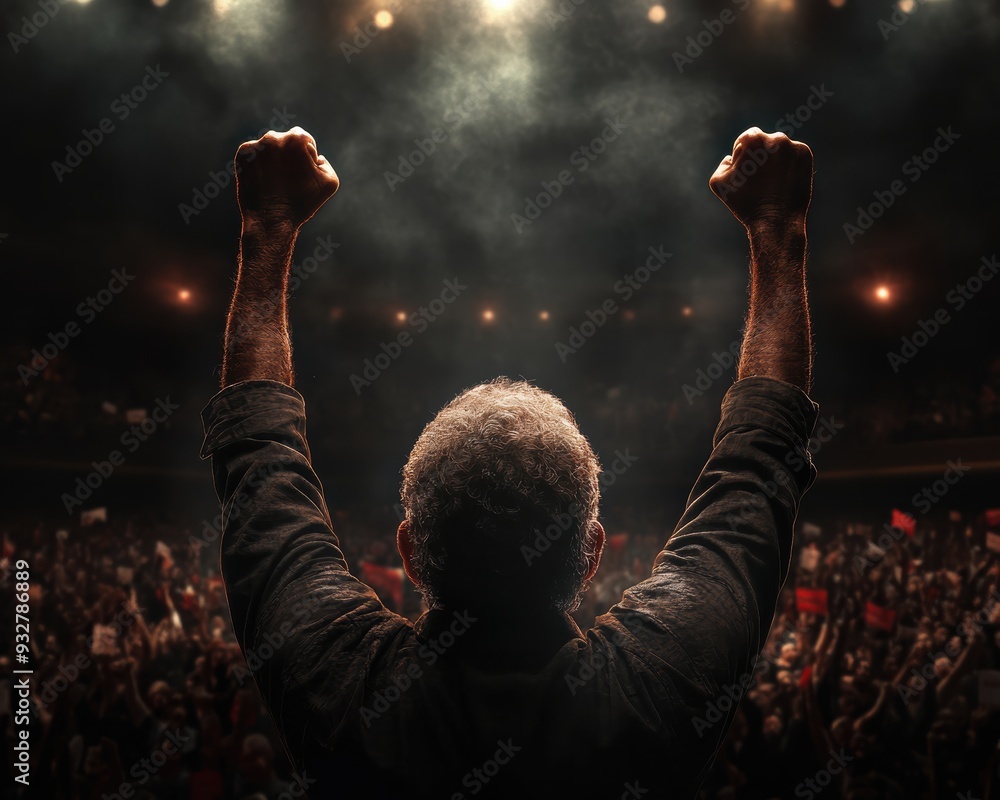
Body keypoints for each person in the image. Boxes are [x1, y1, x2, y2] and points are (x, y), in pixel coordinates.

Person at [199, 124, 819, 798]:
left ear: (409, 553)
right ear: (591, 554)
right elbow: (757, 464)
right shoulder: (653, 690)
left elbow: (259, 454)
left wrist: (269, 228)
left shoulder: (341, 690)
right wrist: (775, 230)